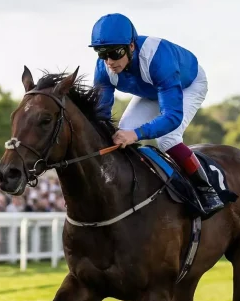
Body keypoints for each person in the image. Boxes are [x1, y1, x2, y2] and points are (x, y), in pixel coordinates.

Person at [89, 12, 223, 214]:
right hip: (150, 89)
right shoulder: (103, 68)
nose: (109, 61)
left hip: (187, 85)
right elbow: (101, 116)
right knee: (121, 134)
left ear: (131, 46)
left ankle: (207, 190)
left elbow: (172, 117)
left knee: (167, 138)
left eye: (115, 53)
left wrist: (137, 134)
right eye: (101, 53)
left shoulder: (158, 59)